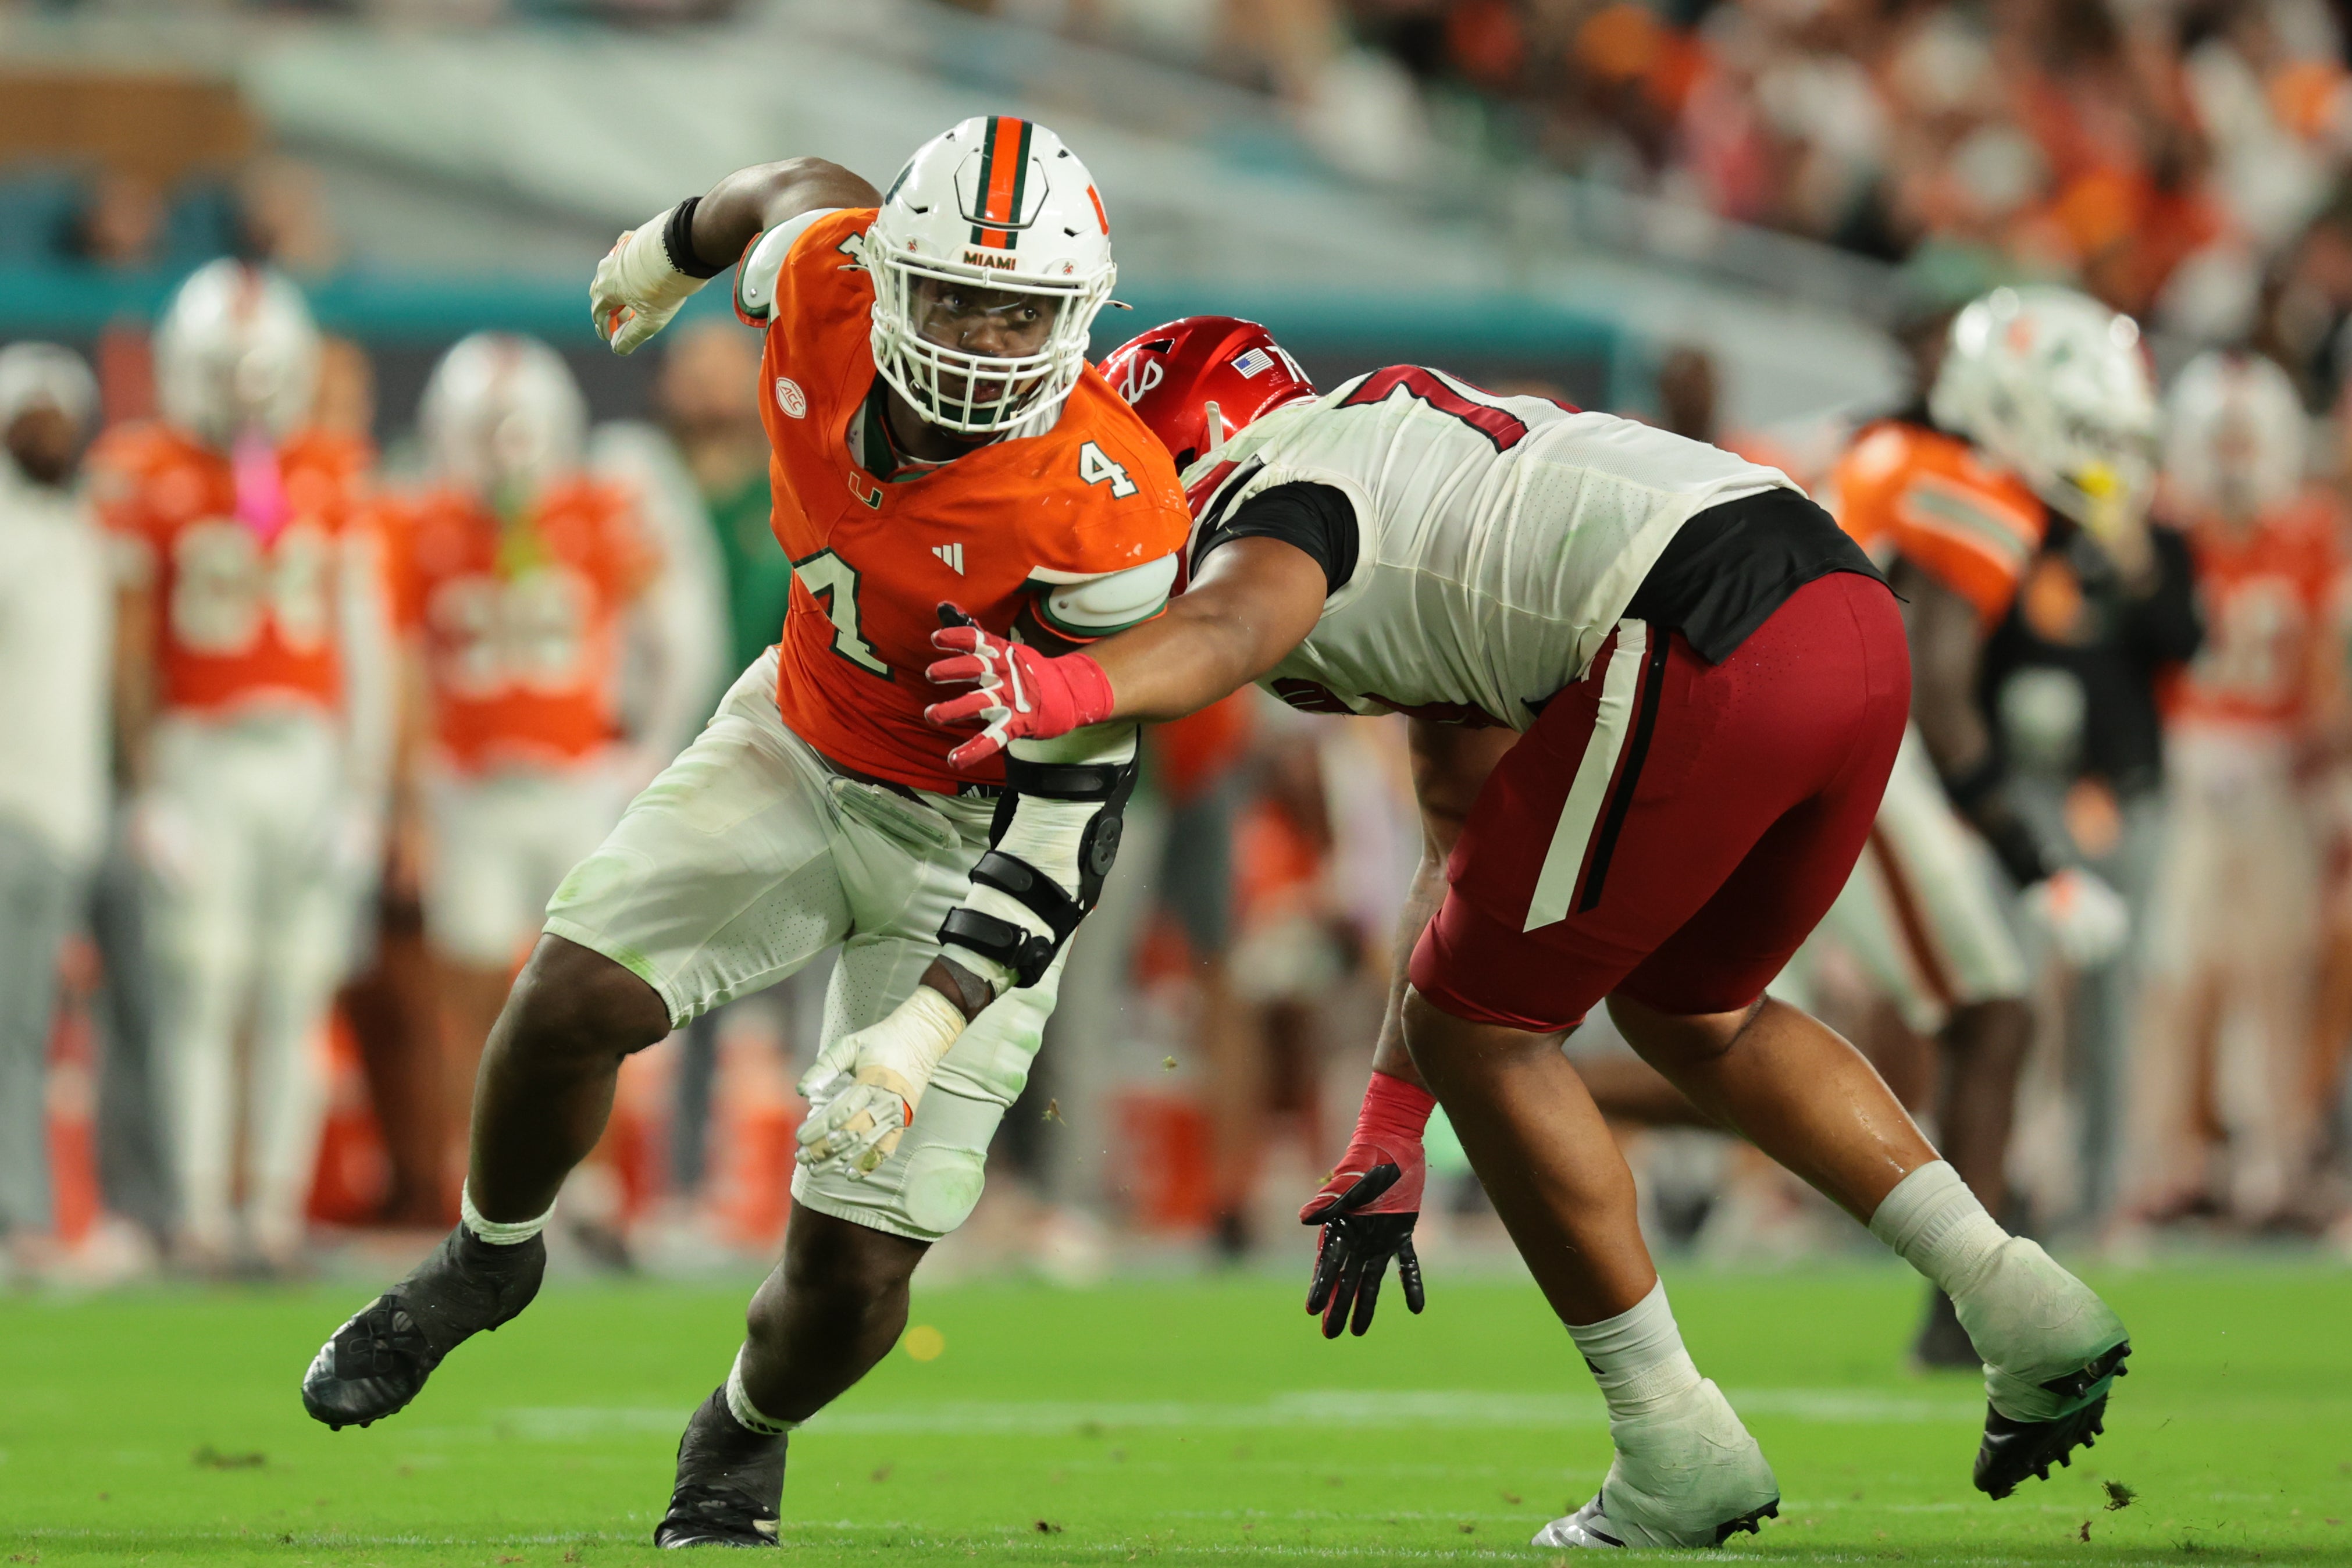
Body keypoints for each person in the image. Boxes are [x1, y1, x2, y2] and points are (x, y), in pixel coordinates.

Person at [920, 316, 2132, 1547]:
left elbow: (1236, 620)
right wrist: (1391, 1121)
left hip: (1700, 630)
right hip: (1841, 619)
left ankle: (1675, 1442)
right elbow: (1465, 836)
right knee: (1692, 1011)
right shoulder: (1401, 462)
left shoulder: (1273, 492)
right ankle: (2018, 1301)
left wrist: (1067, 684)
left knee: (1489, 1031)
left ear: (1181, 448)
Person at [297, 119, 1193, 1549]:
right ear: (894, 273)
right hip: (794, 734)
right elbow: (780, 190)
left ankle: (740, 1431)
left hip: (974, 842)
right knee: (565, 997)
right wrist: (661, 253)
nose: (980, 336)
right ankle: (486, 1263)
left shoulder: (1109, 513)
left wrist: (918, 1035)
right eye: (955, 293)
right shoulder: (823, 278)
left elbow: (1075, 819)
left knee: (849, 1275)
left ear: (1072, 317)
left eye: (1017, 308)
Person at [1804, 284, 2148, 1363]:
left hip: (1773, 719)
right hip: (1839, 738)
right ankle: (1970, 1302)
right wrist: (2032, 856)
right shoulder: (1974, 484)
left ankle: (1497, 1087)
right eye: (2086, 436)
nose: (2099, 466)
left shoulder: (1882, 442)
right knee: (1993, 1013)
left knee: (1719, 1033)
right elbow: (1940, 691)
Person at [93, 260, 393, 1272]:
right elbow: (128, 646)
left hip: (304, 748)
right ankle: (199, 1216)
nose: (248, 393)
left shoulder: (333, 467)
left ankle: (268, 1214)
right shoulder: (143, 468)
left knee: (295, 985)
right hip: (200, 749)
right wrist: (145, 789)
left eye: (263, 371)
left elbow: (365, 641)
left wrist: (362, 789)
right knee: (202, 984)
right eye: (227, 370)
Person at [383, 333, 674, 1220]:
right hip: (470, 787)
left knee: (596, 988)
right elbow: (400, 668)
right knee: (472, 992)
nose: (504, 450)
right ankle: (489, 1183)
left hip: (573, 778)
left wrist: (646, 746)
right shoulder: (420, 522)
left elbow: (672, 632)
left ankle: (587, 1185)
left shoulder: (600, 509)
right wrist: (409, 800)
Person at [2130, 350, 2338, 1227]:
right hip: (2185, 753)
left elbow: (2326, 655)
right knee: (2175, 973)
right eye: (2222, 437)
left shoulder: (2313, 528)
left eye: (2247, 438)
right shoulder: (2165, 525)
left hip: (2276, 758)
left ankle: (2275, 1159)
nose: (2234, 455)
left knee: (2278, 970)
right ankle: (2162, 1160)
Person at [0, 344, 112, 1280]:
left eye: (60, 415)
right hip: (8, 805)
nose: (50, 432)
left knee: (34, 1024)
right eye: (31, 416)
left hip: (67, 809)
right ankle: (18, 1216)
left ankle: (33, 1212)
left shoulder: (78, 527)